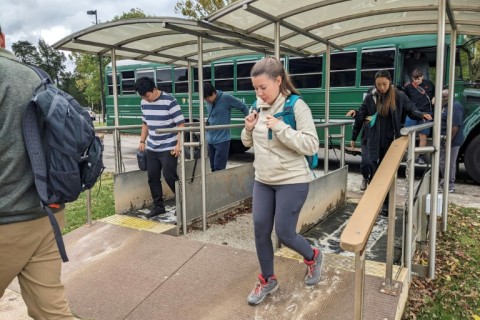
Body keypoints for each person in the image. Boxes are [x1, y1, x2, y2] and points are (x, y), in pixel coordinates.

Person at [0, 25, 74, 319]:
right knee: (53, 312)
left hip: (5, 220)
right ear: (3, 39)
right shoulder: (37, 76)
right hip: (47, 217)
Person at [241, 57, 323, 306]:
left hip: (292, 179)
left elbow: (311, 144)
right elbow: (247, 143)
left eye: (263, 87)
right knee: (260, 229)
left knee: (285, 233)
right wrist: (247, 128)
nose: (259, 93)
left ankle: (313, 256)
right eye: (255, 88)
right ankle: (267, 279)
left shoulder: (297, 106)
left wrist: (280, 128)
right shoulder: (257, 105)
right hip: (263, 179)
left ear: (278, 80)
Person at [350, 70, 432, 215]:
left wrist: (420, 114)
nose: (382, 87)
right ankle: (374, 201)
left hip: (390, 141)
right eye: (378, 84)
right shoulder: (371, 97)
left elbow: (410, 108)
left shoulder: (398, 96)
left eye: (384, 84)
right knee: (374, 171)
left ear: (390, 82)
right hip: (374, 141)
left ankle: (386, 204)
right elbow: (362, 113)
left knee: (386, 175)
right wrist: (354, 125)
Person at [135, 77, 186, 218]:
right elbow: (145, 123)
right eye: (143, 96)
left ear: (154, 89)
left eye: (147, 95)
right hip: (152, 147)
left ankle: (183, 203)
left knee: (170, 176)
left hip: (168, 146)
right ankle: (158, 207)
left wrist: (178, 144)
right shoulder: (143, 102)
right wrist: (142, 141)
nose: (145, 99)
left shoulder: (170, 101)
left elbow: (181, 124)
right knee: (152, 177)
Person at [204, 82, 249, 171]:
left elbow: (243, 107)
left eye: (208, 98)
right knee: (212, 167)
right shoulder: (208, 101)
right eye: (205, 99)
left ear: (214, 93)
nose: (207, 100)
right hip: (210, 139)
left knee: (219, 168)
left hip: (222, 140)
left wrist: (249, 120)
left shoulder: (225, 98)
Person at [404, 68, 435, 164]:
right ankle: (409, 155)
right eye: (414, 79)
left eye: (418, 79)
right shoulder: (408, 87)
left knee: (423, 135)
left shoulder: (429, 84)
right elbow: (405, 100)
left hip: (426, 113)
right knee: (407, 134)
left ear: (422, 76)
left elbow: (434, 95)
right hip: (413, 113)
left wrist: (434, 100)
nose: (416, 81)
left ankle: (421, 156)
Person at [438, 88, 465, 193]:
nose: (443, 98)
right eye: (442, 96)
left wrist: (448, 140)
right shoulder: (445, 106)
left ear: (451, 96)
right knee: (442, 162)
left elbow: (455, 126)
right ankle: (443, 183)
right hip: (443, 138)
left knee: (449, 163)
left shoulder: (456, 106)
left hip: (452, 140)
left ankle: (450, 185)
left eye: (445, 97)